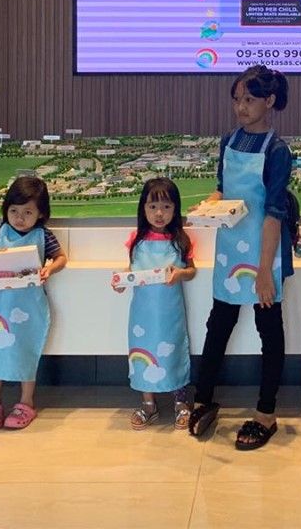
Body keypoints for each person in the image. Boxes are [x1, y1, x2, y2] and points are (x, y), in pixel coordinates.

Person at [189, 65, 293, 450]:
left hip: (264, 250)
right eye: (237, 99)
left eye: (249, 99)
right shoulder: (228, 140)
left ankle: (266, 412)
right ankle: (203, 399)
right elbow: (223, 189)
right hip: (230, 249)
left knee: (269, 330)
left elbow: (274, 213)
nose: (241, 107)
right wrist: (209, 205)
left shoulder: (277, 150)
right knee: (218, 324)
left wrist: (265, 271)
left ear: (269, 101)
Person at [0, 175, 67, 430]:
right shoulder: (1, 231)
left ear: (41, 213)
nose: (19, 218)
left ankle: (26, 402)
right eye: (14, 211)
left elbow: (61, 257)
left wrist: (50, 269)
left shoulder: (43, 235)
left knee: (26, 351)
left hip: (28, 307)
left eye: (28, 212)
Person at [114, 177, 195, 430]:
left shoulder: (181, 240)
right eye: (153, 207)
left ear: (175, 209)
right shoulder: (135, 240)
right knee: (143, 353)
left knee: (174, 351)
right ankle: (148, 403)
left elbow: (191, 271)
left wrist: (180, 273)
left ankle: (181, 402)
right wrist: (121, 281)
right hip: (142, 314)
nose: (159, 213)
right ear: (143, 208)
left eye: (166, 207)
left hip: (170, 312)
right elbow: (132, 270)